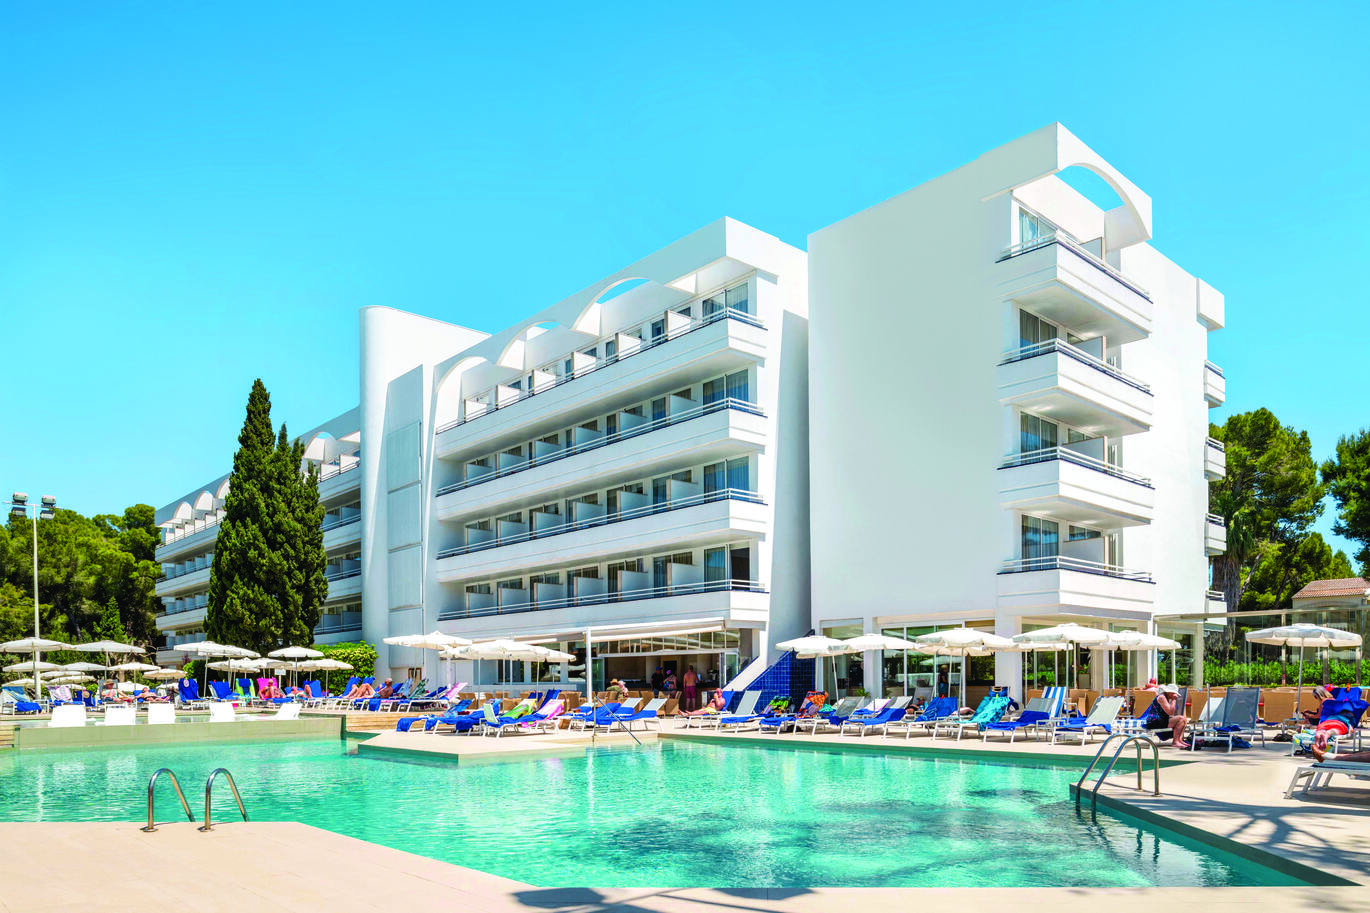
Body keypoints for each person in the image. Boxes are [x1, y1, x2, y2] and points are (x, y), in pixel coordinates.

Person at [1139, 683, 1189, 749]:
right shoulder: (1162, 697)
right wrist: (1174, 700)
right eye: (1174, 693)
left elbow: (1170, 712)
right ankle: (1175, 741)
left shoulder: (1165, 697)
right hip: (1155, 722)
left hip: (1161, 720)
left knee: (1184, 719)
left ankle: (1179, 740)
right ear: (1170, 692)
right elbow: (1170, 712)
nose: (1175, 695)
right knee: (1181, 719)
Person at [1307, 685, 1355, 755]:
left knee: (1316, 726)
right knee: (1334, 730)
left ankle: (1318, 739)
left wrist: (1309, 716)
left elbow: (1319, 716)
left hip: (1326, 721)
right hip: (1338, 721)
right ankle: (1327, 735)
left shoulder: (1324, 702)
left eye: (1315, 697)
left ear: (1319, 695)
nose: (1315, 698)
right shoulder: (1333, 700)